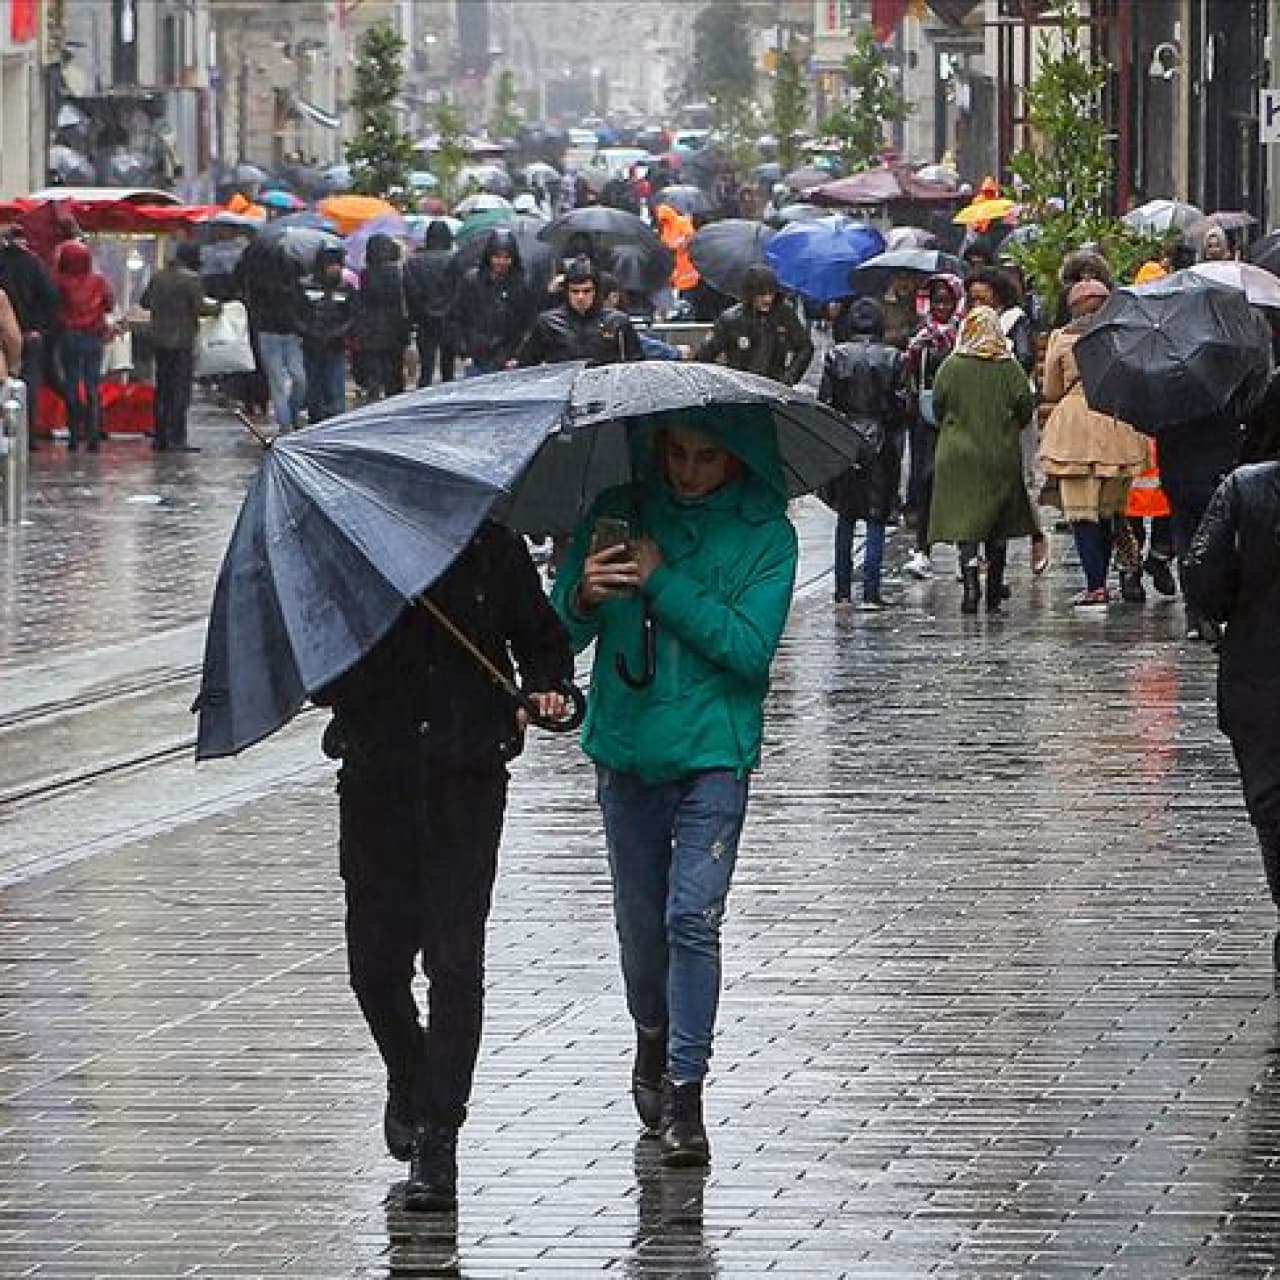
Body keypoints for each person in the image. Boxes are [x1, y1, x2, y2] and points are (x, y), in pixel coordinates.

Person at [551, 406, 798, 1168]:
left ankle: (686, 1091)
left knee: (694, 917)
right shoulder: (618, 512)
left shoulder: (766, 535)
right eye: (677, 454)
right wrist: (585, 596)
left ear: (737, 460)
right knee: (640, 921)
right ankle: (651, 1034)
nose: (688, 472)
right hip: (626, 746)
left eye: (707, 458)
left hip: (713, 752)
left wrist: (662, 581)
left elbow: (749, 650)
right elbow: (559, 632)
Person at [314, 523, 574, 1212]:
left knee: (455, 962)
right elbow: (320, 672)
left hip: (466, 777)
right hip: (377, 778)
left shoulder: (493, 546)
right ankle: (410, 1070)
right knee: (374, 964)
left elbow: (542, 641)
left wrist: (545, 690)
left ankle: (439, 1137)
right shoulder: (357, 551)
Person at [1184, 451, 1280, 965]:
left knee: (1272, 798)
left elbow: (1203, 574)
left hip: (1260, 670)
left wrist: (1227, 607)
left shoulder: (1246, 488)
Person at [1038, 280, 1149, 606]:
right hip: (1116, 423)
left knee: (1081, 514)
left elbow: (1051, 389)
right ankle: (1129, 571)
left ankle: (1096, 585)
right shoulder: (1124, 336)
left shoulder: (1061, 339)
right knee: (1113, 511)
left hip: (1074, 428)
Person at [928, 305, 1036, 614]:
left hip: (958, 456)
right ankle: (993, 590)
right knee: (998, 524)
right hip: (999, 454)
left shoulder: (951, 366)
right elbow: (1025, 408)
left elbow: (937, 405)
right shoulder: (1010, 368)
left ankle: (971, 586)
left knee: (967, 525)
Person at [817, 297, 908, 608]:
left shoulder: (836, 356)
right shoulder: (893, 358)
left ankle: (842, 590)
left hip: (845, 438)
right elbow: (900, 406)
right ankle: (871, 590)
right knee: (876, 518)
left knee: (845, 516)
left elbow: (825, 402)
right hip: (880, 441)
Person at [903, 275, 963, 580]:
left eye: (947, 301)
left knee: (957, 481)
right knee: (926, 480)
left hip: (958, 417)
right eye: (937, 301)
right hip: (925, 420)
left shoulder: (963, 336)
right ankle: (923, 547)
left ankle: (963, 552)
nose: (941, 307)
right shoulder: (920, 338)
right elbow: (909, 375)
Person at [140, 242, 219, 453]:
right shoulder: (191, 279)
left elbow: (144, 302)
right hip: (182, 341)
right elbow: (201, 308)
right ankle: (177, 437)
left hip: (159, 339)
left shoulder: (159, 276)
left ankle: (160, 436)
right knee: (180, 391)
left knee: (163, 389)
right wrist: (219, 308)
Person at [695, 265, 813, 386]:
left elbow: (805, 347)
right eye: (761, 295)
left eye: (771, 293)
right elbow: (704, 356)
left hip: (774, 387)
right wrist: (722, 381)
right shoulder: (731, 319)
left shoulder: (784, 314)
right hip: (741, 389)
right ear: (750, 295)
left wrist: (789, 377)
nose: (768, 299)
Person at [518, 259, 643, 366]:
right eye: (575, 291)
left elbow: (636, 365)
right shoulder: (548, 323)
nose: (580, 297)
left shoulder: (617, 322)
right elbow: (527, 366)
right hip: (562, 389)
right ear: (566, 292)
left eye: (586, 291)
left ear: (596, 292)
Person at [240, 238, 308, 432]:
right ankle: (286, 422)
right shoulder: (270, 280)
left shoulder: (256, 277)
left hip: (278, 331)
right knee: (291, 379)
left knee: (285, 380)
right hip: (277, 332)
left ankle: (288, 419)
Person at [52, 240, 114, 452]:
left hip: (69, 336)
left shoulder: (59, 282)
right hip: (94, 336)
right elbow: (109, 303)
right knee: (92, 386)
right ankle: (94, 433)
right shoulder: (98, 281)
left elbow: (54, 306)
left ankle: (74, 434)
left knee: (71, 384)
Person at [0, 225, 59, 443]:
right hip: (29, 333)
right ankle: (27, 434)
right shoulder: (34, 264)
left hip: (6, 338)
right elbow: (51, 297)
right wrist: (41, 328)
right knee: (29, 386)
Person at [453, 228, 536, 376]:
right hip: (477, 356)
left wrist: (518, 354)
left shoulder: (522, 284)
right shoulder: (472, 281)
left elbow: (529, 322)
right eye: (497, 257)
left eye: (506, 257)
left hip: (508, 357)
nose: (501, 262)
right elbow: (458, 316)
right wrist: (464, 352)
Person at [300, 245, 355, 423]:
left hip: (335, 345)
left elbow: (353, 315)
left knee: (335, 389)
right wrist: (309, 331)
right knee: (314, 388)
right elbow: (296, 313)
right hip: (311, 345)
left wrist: (338, 332)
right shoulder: (306, 286)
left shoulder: (346, 288)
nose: (336, 268)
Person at [403, 220, 459, 388]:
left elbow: (409, 291)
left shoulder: (413, 262)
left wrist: (418, 312)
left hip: (424, 320)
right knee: (448, 365)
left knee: (426, 365)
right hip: (449, 318)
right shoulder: (455, 260)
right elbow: (459, 289)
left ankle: (424, 392)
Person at [355, 234, 410, 401]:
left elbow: (361, 302)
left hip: (371, 330)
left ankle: (374, 399)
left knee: (374, 371)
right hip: (395, 328)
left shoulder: (365, 275)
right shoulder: (397, 273)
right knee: (394, 371)